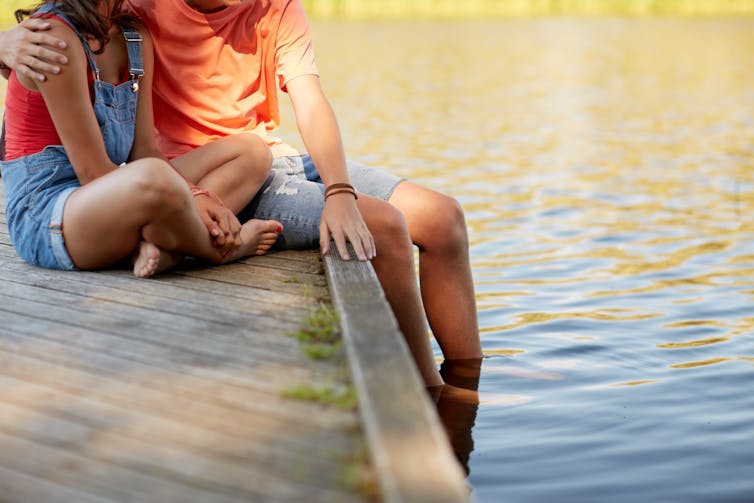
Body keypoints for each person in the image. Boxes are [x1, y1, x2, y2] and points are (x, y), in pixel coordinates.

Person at [0, 0, 482, 390]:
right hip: (142, 186)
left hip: (247, 161)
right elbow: (59, 51)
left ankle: (467, 380)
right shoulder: (134, 11)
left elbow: (309, 100)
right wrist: (6, 41)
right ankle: (429, 395)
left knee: (442, 218)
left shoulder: (254, 12)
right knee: (384, 225)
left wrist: (339, 190)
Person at [0, 0, 282, 279]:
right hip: (49, 217)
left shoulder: (133, 36)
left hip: (114, 193)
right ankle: (219, 249)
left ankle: (163, 245)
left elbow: (145, 150)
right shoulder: (53, 36)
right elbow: (93, 171)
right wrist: (193, 198)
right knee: (155, 177)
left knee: (251, 152)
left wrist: (195, 193)